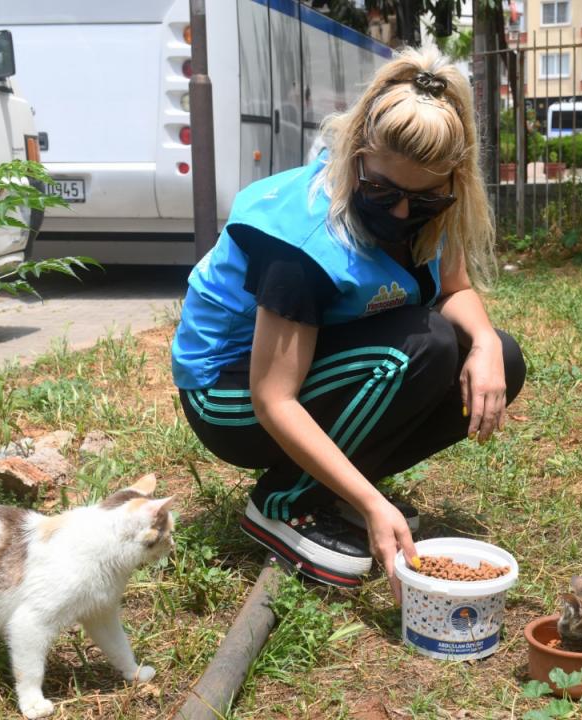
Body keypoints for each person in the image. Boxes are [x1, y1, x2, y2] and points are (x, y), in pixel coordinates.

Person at [171, 47, 526, 599]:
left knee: (498, 357)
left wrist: (482, 343)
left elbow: (454, 289)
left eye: (425, 200)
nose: (404, 215)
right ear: (357, 155)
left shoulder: (438, 206)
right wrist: (373, 503)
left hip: (309, 369)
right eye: (385, 193)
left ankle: (327, 489)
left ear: (452, 183)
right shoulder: (302, 241)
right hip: (228, 396)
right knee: (423, 346)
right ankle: (282, 505)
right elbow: (273, 399)